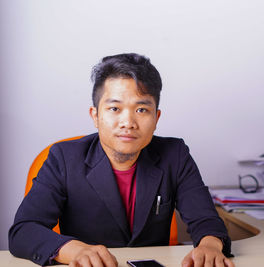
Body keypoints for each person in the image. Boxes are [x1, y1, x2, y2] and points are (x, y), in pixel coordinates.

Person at [9, 53, 234, 267]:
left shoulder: (174, 155)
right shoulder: (64, 158)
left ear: (156, 118)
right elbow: (24, 230)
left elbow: (205, 219)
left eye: (142, 109)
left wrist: (210, 245)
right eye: (115, 108)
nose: (128, 122)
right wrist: (73, 250)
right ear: (95, 116)